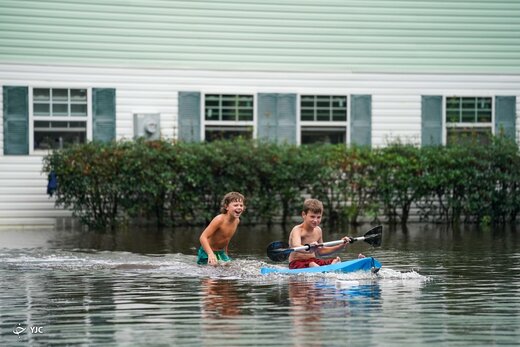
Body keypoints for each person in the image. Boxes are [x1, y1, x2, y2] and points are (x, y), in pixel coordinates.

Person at [288, 198, 362, 269]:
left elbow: (321, 251)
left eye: (318, 217)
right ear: (304, 215)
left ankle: (359, 263)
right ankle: (318, 269)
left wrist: (340, 246)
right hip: (296, 263)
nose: (315, 220)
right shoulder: (297, 230)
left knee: (334, 260)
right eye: (312, 216)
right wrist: (310, 248)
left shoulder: (318, 230)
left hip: (313, 261)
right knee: (312, 264)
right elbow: (296, 246)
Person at [197, 192, 245, 266]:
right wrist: (210, 254)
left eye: (241, 205)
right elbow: (203, 237)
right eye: (235, 205)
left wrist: (225, 254)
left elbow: (226, 238)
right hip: (206, 252)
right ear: (226, 207)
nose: (239, 207)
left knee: (229, 268)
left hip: (221, 252)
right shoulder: (219, 219)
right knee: (213, 270)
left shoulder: (237, 221)